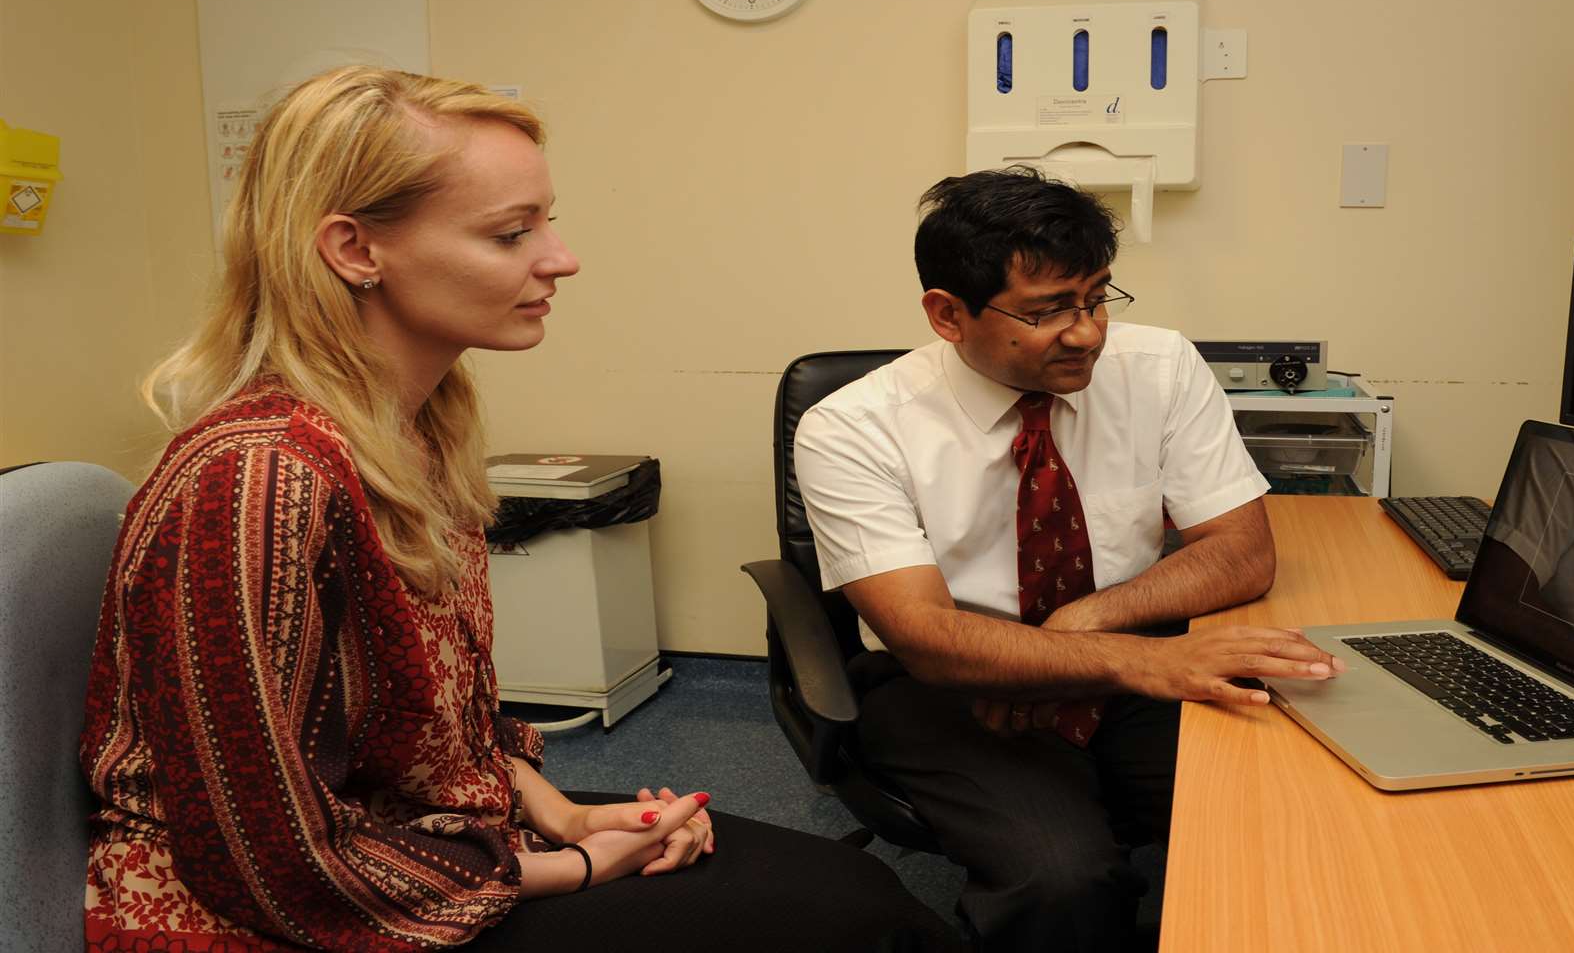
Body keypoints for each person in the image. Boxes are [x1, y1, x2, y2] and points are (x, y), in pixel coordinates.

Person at [79, 66, 959, 952]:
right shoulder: (257, 480)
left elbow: (442, 730)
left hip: (422, 838)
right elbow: (269, 857)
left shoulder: (413, 432)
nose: (560, 258)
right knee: (860, 924)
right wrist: (578, 868)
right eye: (511, 233)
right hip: (299, 914)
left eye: (545, 219)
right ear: (354, 250)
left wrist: (572, 819)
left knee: (852, 891)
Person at [792, 166, 1347, 951]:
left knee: (1296, 798)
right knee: (1062, 878)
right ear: (947, 315)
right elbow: (923, 636)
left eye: (1096, 297)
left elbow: (1244, 553)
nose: (1086, 331)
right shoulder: (852, 427)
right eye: (1048, 310)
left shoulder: (1159, 368)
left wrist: (1087, 626)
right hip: (952, 686)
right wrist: (1119, 660)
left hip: (1130, 655)